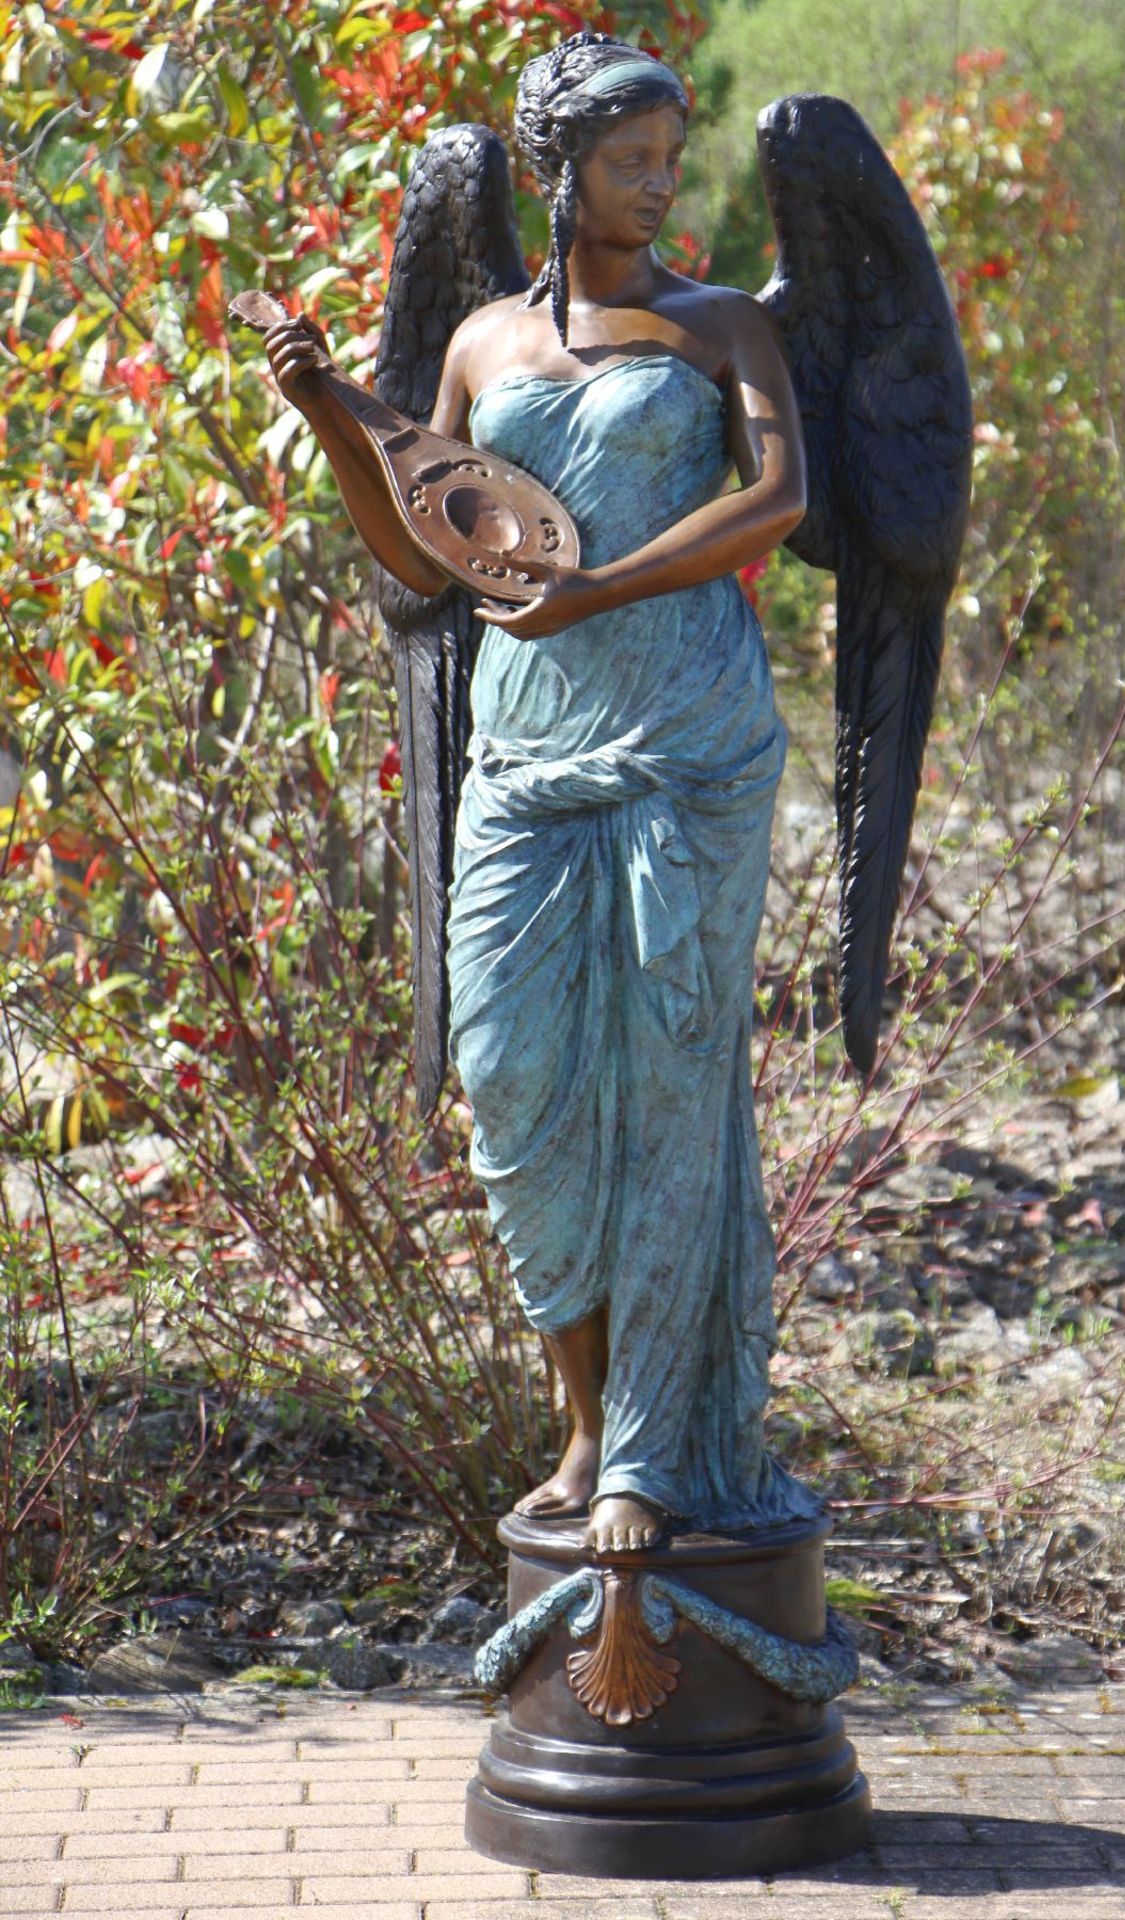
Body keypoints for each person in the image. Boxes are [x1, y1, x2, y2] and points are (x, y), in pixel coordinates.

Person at [263, 29, 822, 1556]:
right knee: (510, 1081)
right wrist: (330, 417)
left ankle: (644, 1451)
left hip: (685, 747)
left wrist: (603, 590)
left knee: (668, 1090)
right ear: (554, 170)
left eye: (670, 159)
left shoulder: (723, 331)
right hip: (524, 751)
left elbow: (773, 498)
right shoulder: (479, 345)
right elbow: (431, 556)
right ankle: (578, 1415)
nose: (659, 186)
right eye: (630, 161)